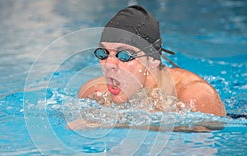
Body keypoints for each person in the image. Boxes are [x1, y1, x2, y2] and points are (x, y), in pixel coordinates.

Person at [69, 5, 226, 130]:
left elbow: (202, 152)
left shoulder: (195, 96)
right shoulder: (94, 92)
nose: (109, 64)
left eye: (124, 55)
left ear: (152, 60)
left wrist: (116, 123)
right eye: (103, 53)